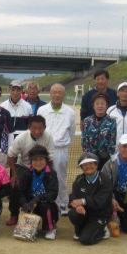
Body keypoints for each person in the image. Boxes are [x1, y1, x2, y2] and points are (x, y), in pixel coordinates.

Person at [5, 115, 55, 225]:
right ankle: (14, 214)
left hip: (41, 167)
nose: (37, 131)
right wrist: (14, 175)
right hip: (23, 166)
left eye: (40, 128)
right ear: (29, 127)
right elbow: (11, 156)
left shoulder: (48, 137)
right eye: (34, 128)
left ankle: (43, 213)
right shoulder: (21, 138)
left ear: (45, 127)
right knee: (15, 187)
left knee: (45, 187)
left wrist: (48, 173)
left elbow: (50, 159)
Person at [38, 83, 76, 215]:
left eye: (60, 92)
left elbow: (71, 132)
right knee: (43, 177)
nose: (57, 95)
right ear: (50, 94)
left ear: (64, 94)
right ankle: (46, 203)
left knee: (60, 177)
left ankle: (62, 204)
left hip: (61, 150)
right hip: (44, 150)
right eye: (54, 92)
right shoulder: (42, 110)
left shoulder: (70, 112)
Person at [68, 152, 113, 245]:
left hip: (99, 215)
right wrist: (77, 206)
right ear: (81, 167)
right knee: (73, 213)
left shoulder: (105, 180)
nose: (88, 166)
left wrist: (82, 201)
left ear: (96, 165)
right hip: (84, 212)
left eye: (91, 163)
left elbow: (100, 201)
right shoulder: (79, 179)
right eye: (85, 165)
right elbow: (73, 196)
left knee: (85, 240)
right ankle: (80, 230)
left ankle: (103, 229)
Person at [16, 145, 59, 240]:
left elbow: (53, 194)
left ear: (46, 160)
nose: (38, 163)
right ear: (31, 161)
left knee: (45, 205)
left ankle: (50, 228)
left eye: (41, 159)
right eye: (35, 160)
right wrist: (24, 204)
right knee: (24, 206)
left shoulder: (51, 173)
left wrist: (37, 199)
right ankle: (31, 226)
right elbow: (21, 192)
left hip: (46, 205)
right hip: (31, 205)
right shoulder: (26, 174)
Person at [81, 94, 117, 168]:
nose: (100, 106)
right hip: (90, 158)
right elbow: (84, 140)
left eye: (102, 104)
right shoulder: (87, 121)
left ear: (106, 106)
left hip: (106, 158)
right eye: (97, 104)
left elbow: (112, 141)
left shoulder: (112, 121)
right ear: (93, 106)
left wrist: (107, 154)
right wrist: (88, 155)